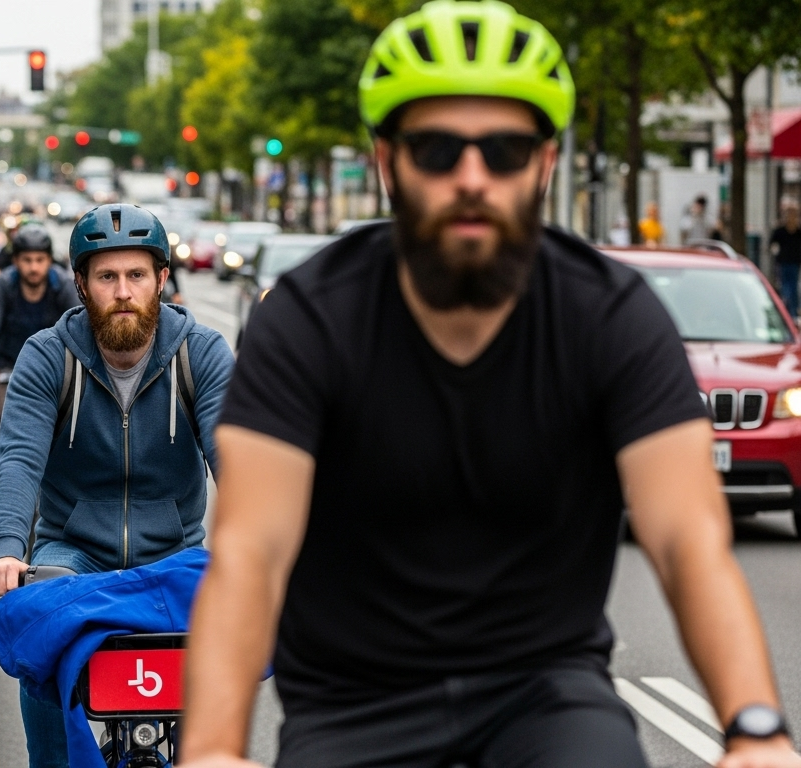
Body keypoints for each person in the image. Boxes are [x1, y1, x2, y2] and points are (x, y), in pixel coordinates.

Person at [179, 3, 801, 768]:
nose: (472, 178)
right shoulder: (306, 321)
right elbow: (249, 554)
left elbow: (688, 542)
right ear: (387, 160)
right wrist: (210, 748)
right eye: (437, 149)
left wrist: (757, 729)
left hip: (545, 695)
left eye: (504, 150)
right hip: (354, 705)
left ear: (543, 163)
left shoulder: (610, 316)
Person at [0, 202, 234, 768]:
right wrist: (6, 553)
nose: (123, 291)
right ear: (83, 285)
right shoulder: (48, 355)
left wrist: (264, 549)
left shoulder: (203, 353)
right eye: (107, 276)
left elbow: (235, 463)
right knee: (39, 639)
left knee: (231, 646)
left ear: (162, 279)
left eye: (137, 275)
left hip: (175, 553)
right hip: (72, 553)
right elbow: (18, 460)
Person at [0, 224, 81, 445]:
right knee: (6, 418)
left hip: (53, 367)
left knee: (65, 424)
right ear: (15, 261)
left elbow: (80, 325)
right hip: (8, 366)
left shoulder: (62, 285)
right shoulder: (2, 285)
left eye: (40, 260)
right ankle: (1, 469)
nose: (34, 267)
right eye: (27, 260)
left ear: (49, 260)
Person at [771, 199, 801, 318]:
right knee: (785, 288)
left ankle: (792, 314)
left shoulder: (798, 232)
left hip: (795, 263)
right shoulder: (780, 231)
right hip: (782, 263)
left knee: (793, 288)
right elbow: (772, 244)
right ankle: (785, 313)